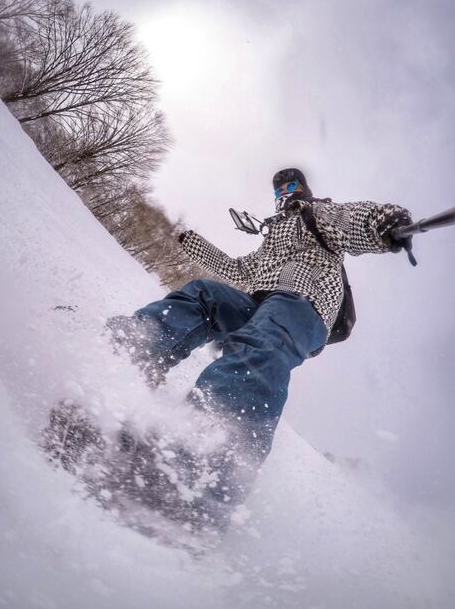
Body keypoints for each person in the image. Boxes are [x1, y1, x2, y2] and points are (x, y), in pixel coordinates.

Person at [105, 167, 413, 531]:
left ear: (303, 190)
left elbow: (351, 220)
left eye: (291, 186)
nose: (285, 193)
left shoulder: (316, 214)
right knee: (204, 294)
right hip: (260, 305)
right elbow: (238, 270)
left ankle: (203, 470)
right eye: (279, 189)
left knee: (264, 343)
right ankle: (122, 364)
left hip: (305, 305)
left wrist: (384, 222)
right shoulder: (272, 239)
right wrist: (192, 241)